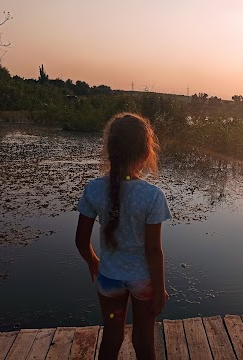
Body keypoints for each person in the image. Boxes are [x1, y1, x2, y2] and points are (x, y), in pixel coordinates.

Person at [75, 113, 171, 360]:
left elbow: (81, 241)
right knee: (144, 341)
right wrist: (159, 290)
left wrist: (94, 263)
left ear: (110, 150)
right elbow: (153, 251)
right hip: (143, 282)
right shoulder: (152, 196)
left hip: (108, 280)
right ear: (145, 152)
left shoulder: (94, 189)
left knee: (112, 338)